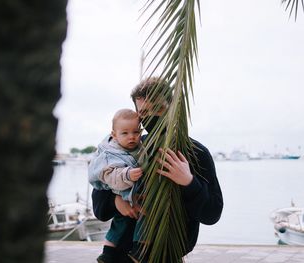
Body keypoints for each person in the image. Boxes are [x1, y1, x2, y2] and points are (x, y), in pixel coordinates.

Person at [92, 77, 223, 262]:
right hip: (119, 257)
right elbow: (99, 209)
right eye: (144, 112)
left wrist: (189, 181)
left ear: (172, 107)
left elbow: (212, 214)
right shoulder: (128, 150)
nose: (152, 116)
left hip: (168, 256)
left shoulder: (196, 153)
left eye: (159, 108)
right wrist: (116, 201)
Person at [88, 109, 143, 263]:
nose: (131, 137)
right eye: (125, 133)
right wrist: (117, 198)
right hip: (123, 190)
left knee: (138, 218)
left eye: (136, 132)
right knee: (122, 221)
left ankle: (137, 248)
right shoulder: (111, 153)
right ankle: (108, 251)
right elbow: (107, 177)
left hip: (133, 195)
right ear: (114, 135)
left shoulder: (142, 147)